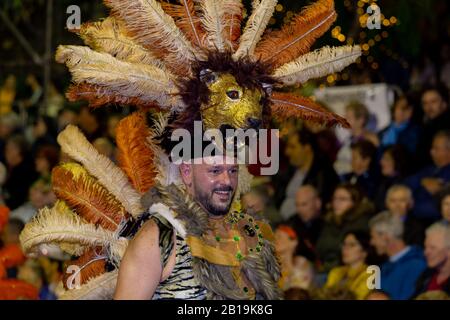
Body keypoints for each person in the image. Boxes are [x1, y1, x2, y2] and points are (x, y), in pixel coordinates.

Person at [278, 127, 339, 219]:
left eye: (292, 147)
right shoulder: (291, 170)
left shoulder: (324, 174)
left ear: (307, 148)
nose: (287, 152)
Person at [316, 183, 374, 273]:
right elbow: (320, 249)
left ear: (355, 202)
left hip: (348, 272)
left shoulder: (361, 224)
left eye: (342, 199)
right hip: (327, 270)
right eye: (334, 199)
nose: (336, 203)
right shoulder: (329, 221)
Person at [369, 212, 427, 299]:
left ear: (385, 237)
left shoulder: (417, 266)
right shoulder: (384, 267)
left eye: (373, 237)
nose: (372, 242)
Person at [405, 130, 450, 223]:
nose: (431, 152)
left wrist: (409, 206)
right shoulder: (429, 170)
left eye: (436, 148)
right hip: (413, 218)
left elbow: (439, 209)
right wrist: (422, 181)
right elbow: (405, 184)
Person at [324, 231, 373, 300]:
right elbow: (324, 296)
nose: (345, 248)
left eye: (352, 245)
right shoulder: (335, 272)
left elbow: (359, 298)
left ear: (365, 252)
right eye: (344, 244)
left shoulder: (370, 273)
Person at [334, 101, 379, 175]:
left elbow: (373, 165)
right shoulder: (348, 139)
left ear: (361, 120)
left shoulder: (370, 139)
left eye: (348, 117)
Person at [286, 185, 323, 263]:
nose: (300, 209)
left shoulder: (328, 225)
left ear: (318, 203)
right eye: (297, 205)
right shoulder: (291, 223)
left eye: (304, 204)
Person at [416, 84, 450, 168]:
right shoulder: (427, 126)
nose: (429, 107)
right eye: (425, 103)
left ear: (444, 103)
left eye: (433, 101)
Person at [414, 223, 450, 296]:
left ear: (448, 251)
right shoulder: (426, 276)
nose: (425, 252)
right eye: (426, 247)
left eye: (432, 248)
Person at [3, 135, 38, 210]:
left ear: (18, 151)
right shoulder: (9, 166)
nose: (6, 152)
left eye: (9, 150)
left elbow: (17, 199)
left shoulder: (25, 171)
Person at [275, 225, 314, 292]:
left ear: (293, 242)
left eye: (279, 236)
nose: (275, 239)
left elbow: (299, 291)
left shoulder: (302, 263)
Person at [374, 145, 411, 211]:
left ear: (397, 162)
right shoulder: (383, 181)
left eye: (387, 159)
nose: (381, 162)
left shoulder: (404, 184)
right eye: (382, 158)